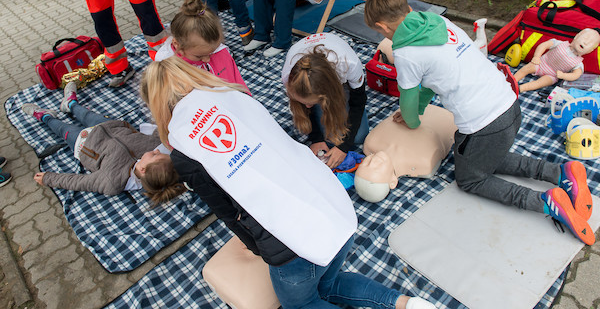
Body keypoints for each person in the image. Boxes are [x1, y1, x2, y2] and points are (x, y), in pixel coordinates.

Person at [140, 56, 437, 309]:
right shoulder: (236, 97)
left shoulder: (184, 153)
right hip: (329, 203)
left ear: (158, 107)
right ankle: (405, 304)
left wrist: (258, 248)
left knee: (301, 304)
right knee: (328, 284)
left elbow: (227, 212)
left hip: (287, 239)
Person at [363, 0, 596, 245]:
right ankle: (560, 172)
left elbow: (407, 98)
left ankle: (544, 201)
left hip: (485, 125)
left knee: (471, 178)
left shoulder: (406, 53)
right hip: (510, 105)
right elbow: (431, 80)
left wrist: (411, 119)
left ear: (382, 27)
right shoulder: (438, 22)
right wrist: (419, 109)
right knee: (482, 157)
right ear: (408, 9)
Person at [21, 82, 184, 198]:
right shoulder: (160, 151)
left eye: (155, 155)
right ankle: (70, 104)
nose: (156, 151)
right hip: (109, 126)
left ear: (143, 170)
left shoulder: (112, 182)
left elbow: (80, 182)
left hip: (84, 143)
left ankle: (45, 117)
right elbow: (162, 130)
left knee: (61, 128)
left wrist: (49, 178)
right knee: (85, 114)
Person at [282, 33, 368, 169]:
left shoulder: (349, 65)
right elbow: (304, 106)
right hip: (310, 71)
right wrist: (316, 139)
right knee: (329, 137)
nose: (308, 106)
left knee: (358, 137)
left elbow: (359, 101)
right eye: (304, 102)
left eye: (312, 103)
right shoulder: (289, 75)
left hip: (339, 75)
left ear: (328, 95)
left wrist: (343, 147)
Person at [155, 0, 250, 93]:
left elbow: (237, 85)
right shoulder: (168, 67)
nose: (207, 59)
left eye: (212, 52)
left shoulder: (220, 52)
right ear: (177, 45)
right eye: (199, 56)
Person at [513, 28, 600, 92]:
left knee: (540, 83)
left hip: (552, 75)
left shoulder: (578, 63)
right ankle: (513, 80)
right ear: (577, 37)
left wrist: (563, 75)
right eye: (585, 38)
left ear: (590, 50)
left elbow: (576, 75)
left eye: (590, 43)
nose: (586, 42)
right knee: (526, 68)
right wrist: (536, 56)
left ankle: (521, 88)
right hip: (540, 64)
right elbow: (544, 45)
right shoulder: (560, 43)